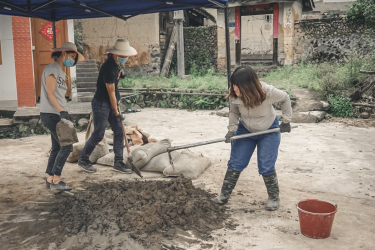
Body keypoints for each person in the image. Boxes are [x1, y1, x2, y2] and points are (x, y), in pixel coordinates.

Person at [211, 66, 292, 211]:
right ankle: (223, 195)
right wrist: (231, 130)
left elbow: (285, 98)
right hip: (245, 129)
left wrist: (286, 121)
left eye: (238, 88)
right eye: (233, 87)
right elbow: (234, 113)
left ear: (249, 86)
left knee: (266, 164)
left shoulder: (267, 92)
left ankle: (274, 198)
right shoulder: (234, 95)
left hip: (269, 129)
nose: (235, 91)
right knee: (236, 162)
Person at [78, 39, 137, 174]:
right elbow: (111, 93)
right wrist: (117, 112)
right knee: (99, 133)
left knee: (119, 131)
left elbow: (115, 89)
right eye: (122, 56)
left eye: (125, 56)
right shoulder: (109, 68)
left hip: (111, 102)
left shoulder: (116, 65)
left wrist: (120, 74)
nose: (124, 58)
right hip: (102, 103)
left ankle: (118, 162)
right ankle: (83, 159)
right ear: (115, 55)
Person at [40, 42, 85, 191]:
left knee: (56, 147)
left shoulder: (60, 70)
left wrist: (63, 111)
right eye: (72, 56)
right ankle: (56, 181)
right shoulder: (52, 69)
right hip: (52, 114)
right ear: (64, 54)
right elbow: (50, 94)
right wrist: (62, 112)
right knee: (66, 146)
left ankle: (49, 178)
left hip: (56, 113)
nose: (72, 59)